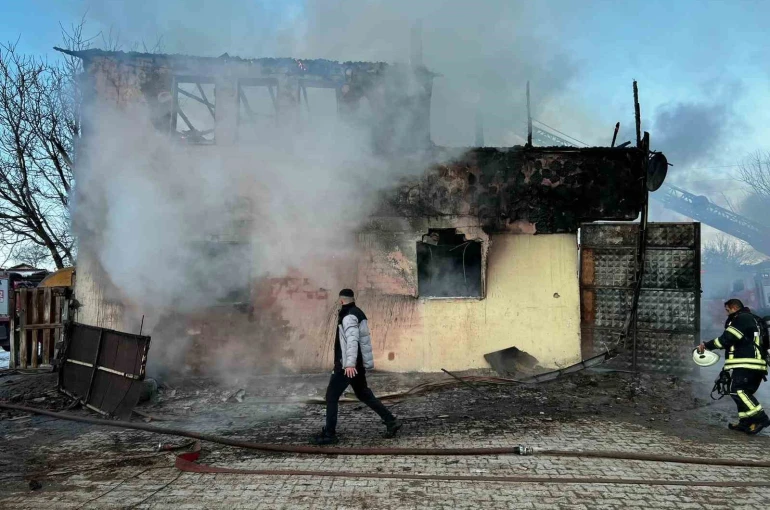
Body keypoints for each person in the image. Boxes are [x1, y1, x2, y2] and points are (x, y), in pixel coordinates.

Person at [312, 289, 401, 445]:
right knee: (364, 394)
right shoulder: (358, 312)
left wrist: (349, 364)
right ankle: (391, 421)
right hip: (356, 364)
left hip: (348, 366)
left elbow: (352, 341)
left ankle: (329, 435)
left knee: (331, 396)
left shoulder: (349, 316)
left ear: (341, 301)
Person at [698, 298, 770, 434]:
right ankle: (745, 422)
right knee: (742, 392)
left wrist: (706, 346)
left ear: (733, 307)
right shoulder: (753, 320)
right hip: (755, 364)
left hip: (746, 363)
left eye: (727, 310)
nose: (726, 313)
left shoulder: (741, 319)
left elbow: (726, 339)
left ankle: (761, 418)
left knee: (738, 390)